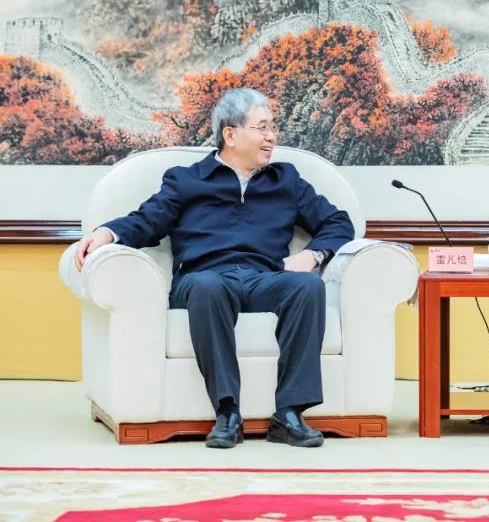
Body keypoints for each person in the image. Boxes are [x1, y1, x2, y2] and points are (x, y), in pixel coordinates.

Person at [73, 88, 354, 449]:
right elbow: (147, 221)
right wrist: (106, 233)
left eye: (273, 127)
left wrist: (312, 256)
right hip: (202, 280)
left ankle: (289, 414)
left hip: (263, 278)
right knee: (209, 286)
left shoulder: (286, 181)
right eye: (262, 127)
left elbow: (338, 222)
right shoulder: (187, 180)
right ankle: (227, 412)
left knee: (307, 287)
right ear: (230, 134)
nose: (272, 136)